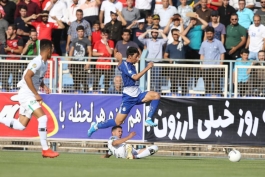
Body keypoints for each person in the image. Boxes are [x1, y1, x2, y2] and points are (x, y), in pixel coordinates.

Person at [0, 39, 59, 158]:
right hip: (27, 95)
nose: (52, 51)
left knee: (21, 125)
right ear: (48, 50)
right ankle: (45, 149)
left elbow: (37, 78)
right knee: (42, 118)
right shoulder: (36, 61)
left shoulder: (45, 63)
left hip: (29, 94)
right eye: (52, 49)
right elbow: (27, 77)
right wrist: (36, 94)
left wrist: (44, 86)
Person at [87, 47, 161, 137]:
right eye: (136, 56)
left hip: (137, 94)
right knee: (118, 122)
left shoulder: (127, 65)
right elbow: (135, 77)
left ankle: (148, 119)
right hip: (129, 98)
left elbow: (119, 66)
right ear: (130, 56)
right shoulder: (126, 65)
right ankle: (96, 126)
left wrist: (120, 60)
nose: (137, 58)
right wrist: (147, 67)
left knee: (156, 95)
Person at [199, 26, 226, 96]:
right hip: (206, 66)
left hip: (216, 66)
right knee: (207, 83)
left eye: (210, 33)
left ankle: (218, 97)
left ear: (213, 33)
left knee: (217, 82)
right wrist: (201, 64)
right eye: (208, 34)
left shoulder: (219, 43)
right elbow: (202, 54)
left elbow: (222, 53)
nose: (209, 35)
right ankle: (207, 97)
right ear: (206, 34)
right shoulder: (203, 43)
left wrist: (221, 64)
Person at [164, 28, 190, 95]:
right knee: (173, 81)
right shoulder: (169, 46)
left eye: (177, 34)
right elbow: (165, 56)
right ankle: (173, 95)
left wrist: (180, 34)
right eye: (174, 34)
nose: (176, 35)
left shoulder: (181, 43)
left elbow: (188, 41)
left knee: (183, 82)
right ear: (172, 35)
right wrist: (169, 60)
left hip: (182, 66)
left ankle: (184, 96)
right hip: (173, 67)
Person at [69, 25, 92, 93]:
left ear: (84, 32)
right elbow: (71, 51)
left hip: (83, 62)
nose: (80, 33)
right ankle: (76, 93)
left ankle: (85, 93)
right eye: (79, 31)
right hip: (75, 62)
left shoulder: (87, 40)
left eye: (82, 31)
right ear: (77, 32)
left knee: (83, 78)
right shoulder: (74, 40)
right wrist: (69, 62)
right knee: (75, 79)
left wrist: (88, 63)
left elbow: (90, 52)